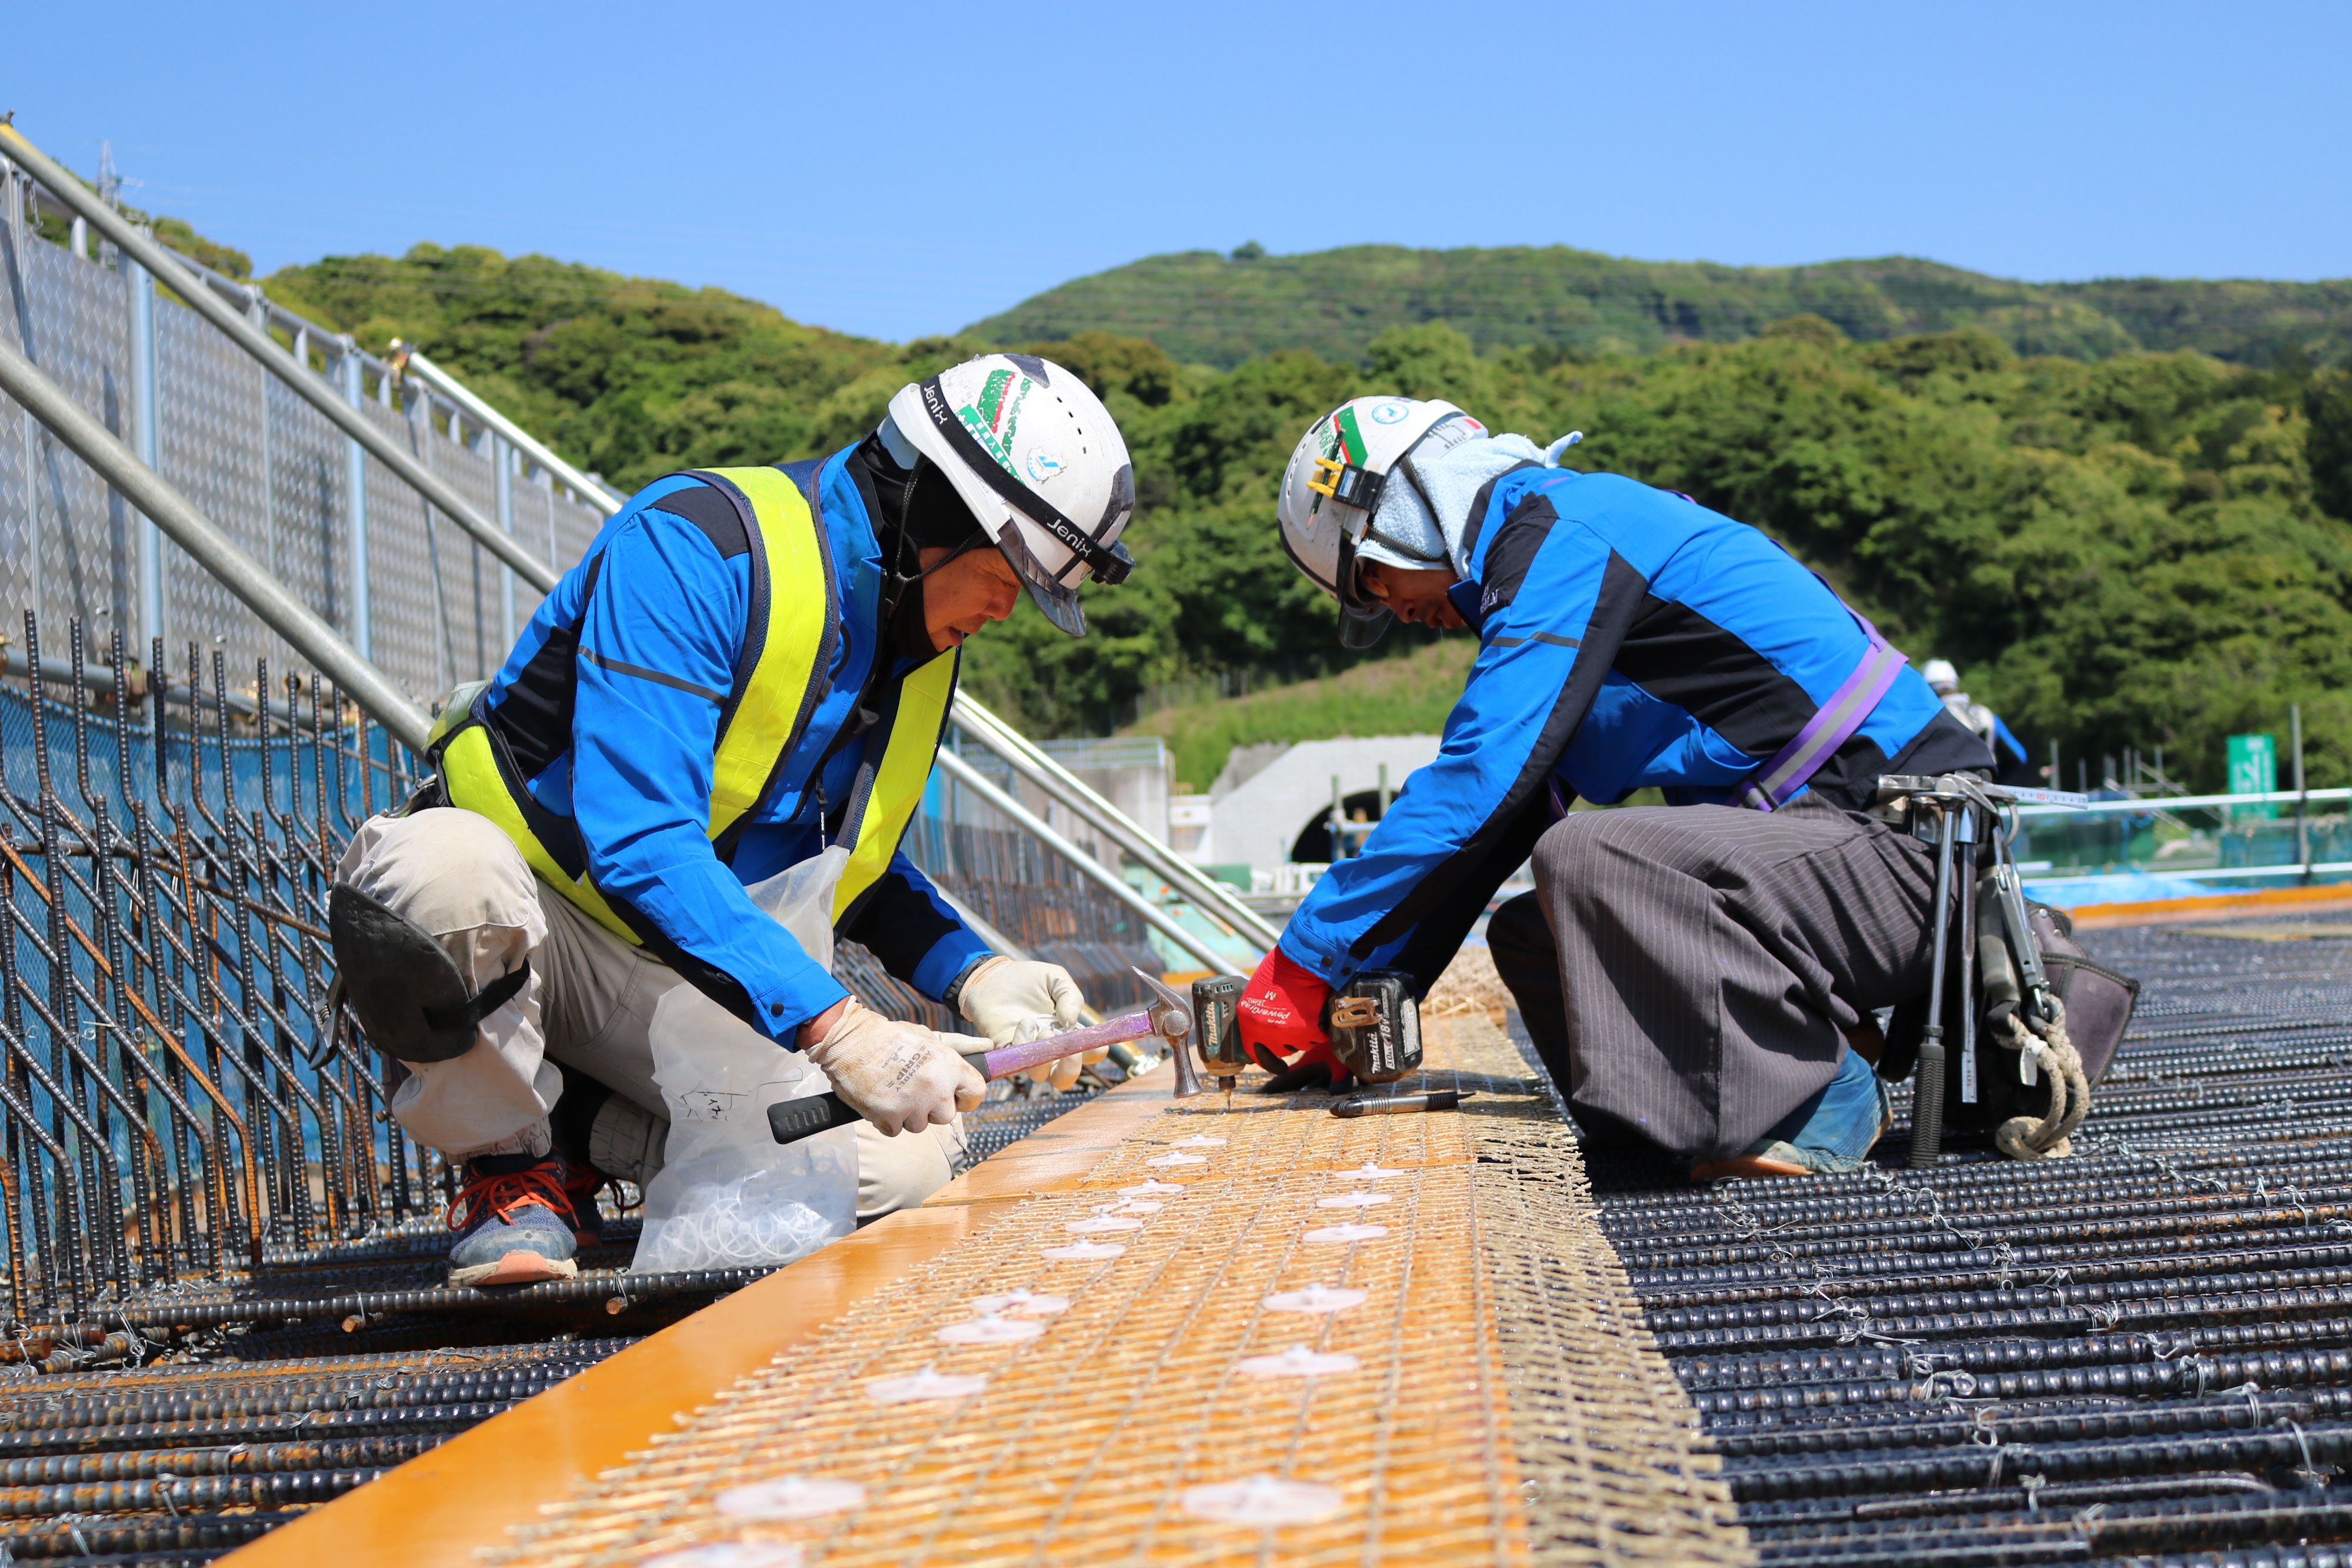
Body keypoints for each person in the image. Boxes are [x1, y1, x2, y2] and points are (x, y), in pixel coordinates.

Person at [329, 353, 1136, 1285]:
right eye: (1011, 573)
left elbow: (851, 866)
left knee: (903, 1168)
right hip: (536, 927)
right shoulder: (694, 546)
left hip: (681, 978)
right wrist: (839, 1030)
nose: (1010, 608)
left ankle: (589, 1128)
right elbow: (638, 838)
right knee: (444, 868)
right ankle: (506, 1169)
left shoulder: (907, 648)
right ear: (933, 513)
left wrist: (974, 969)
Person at [1239, 396, 1994, 1179]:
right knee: (1536, 937)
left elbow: (1477, 781)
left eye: (1369, 580)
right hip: (1835, 862)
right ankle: (1677, 1128)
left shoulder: (1567, 533)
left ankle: (1817, 1094)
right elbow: (1500, 819)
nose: (1391, 607)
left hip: (1911, 848)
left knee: (1587, 856)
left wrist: (1300, 964)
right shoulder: (1544, 558)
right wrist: (1362, 993)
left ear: (1407, 508)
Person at [1922, 658, 2030, 780]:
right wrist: (1995, 783)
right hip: (1984, 791)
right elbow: (2019, 757)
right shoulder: (1986, 714)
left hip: (1947, 791)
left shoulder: (1930, 717)